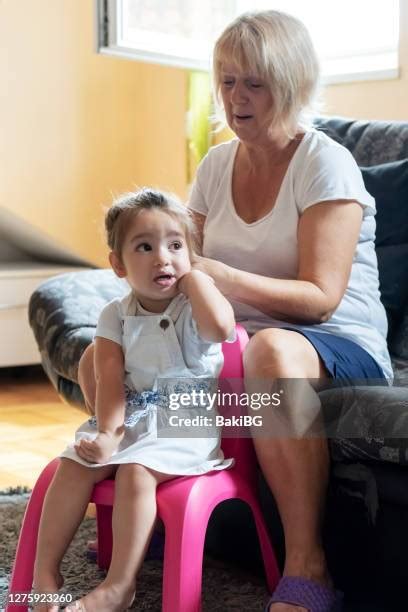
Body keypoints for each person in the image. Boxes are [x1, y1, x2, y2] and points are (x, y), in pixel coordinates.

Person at [187, 9, 392, 612]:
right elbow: (185, 265)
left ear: (292, 83)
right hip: (241, 340)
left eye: (254, 83)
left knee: (270, 352)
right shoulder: (214, 166)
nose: (236, 97)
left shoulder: (324, 162)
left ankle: (309, 567)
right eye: (226, 81)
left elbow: (321, 297)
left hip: (335, 339)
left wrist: (222, 276)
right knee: (124, 345)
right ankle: (147, 524)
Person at [32, 188, 235, 612]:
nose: (163, 258)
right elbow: (107, 376)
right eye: (145, 246)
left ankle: (118, 586)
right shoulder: (115, 314)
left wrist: (197, 278)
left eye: (176, 246)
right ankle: (44, 574)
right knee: (72, 465)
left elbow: (220, 330)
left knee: (136, 471)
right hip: (133, 414)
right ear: (118, 264)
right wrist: (107, 433)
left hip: (186, 419)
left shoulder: (192, 303)